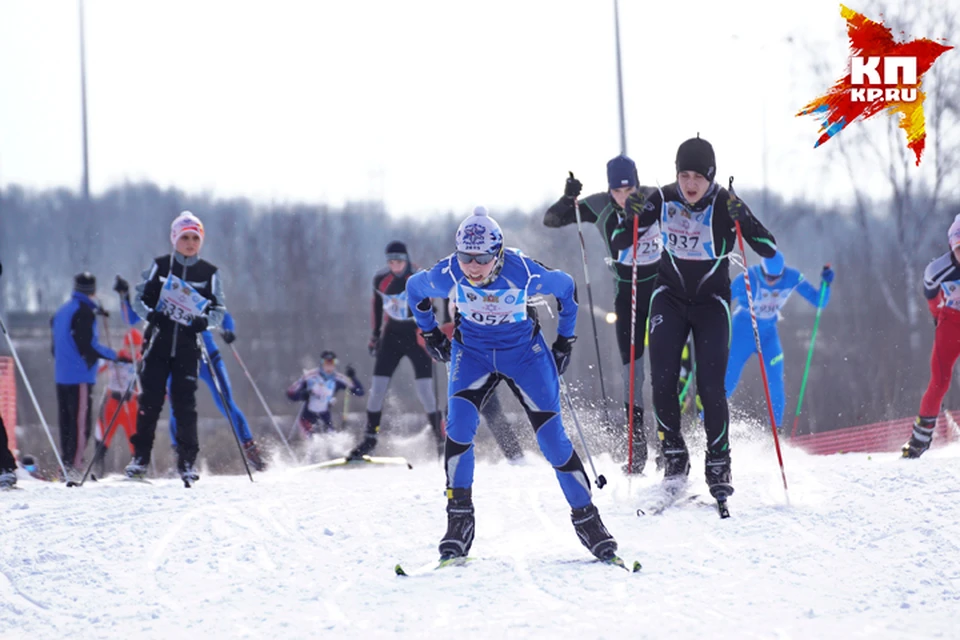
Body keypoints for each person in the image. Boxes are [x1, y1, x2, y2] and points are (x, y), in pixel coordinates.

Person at [406, 206, 619, 562]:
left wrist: (565, 342)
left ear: (499, 253)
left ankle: (589, 521)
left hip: (525, 357)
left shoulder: (524, 271)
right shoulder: (448, 273)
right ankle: (458, 523)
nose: (472, 267)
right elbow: (415, 290)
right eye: (465, 258)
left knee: (552, 439)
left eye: (482, 259)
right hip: (472, 354)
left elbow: (566, 289)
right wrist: (430, 334)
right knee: (458, 429)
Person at [614, 135, 777, 501]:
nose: (690, 184)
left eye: (698, 177)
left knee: (710, 388)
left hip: (712, 303)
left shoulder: (724, 203)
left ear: (711, 176)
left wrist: (744, 219)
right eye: (684, 175)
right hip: (668, 298)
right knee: (662, 382)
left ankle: (719, 462)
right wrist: (632, 212)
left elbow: (768, 247)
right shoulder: (662, 197)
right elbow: (625, 239)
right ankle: (674, 454)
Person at [544, 155, 660, 474]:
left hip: (663, 293)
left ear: (638, 183)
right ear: (610, 190)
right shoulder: (600, 205)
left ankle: (669, 447)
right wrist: (568, 198)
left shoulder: (654, 197)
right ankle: (637, 452)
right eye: (618, 191)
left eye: (629, 189)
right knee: (632, 374)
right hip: (627, 295)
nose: (624, 197)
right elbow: (551, 220)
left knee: (666, 370)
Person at [116, 276, 267, 472]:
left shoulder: (197, 288)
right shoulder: (161, 291)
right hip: (176, 358)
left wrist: (229, 331)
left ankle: (251, 451)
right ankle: (181, 458)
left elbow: (224, 316)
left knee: (226, 402)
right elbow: (131, 317)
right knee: (178, 408)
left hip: (206, 355)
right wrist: (124, 296)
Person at [124, 211, 226, 484]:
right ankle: (140, 458)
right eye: (184, 237)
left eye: (195, 237)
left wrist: (204, 322)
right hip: (158, 343)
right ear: (175, 239)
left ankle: (187, 461)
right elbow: (139, 301)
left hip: (187, 347)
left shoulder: (209, 273)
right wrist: (152, 315)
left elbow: (218, 310)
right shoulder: (160, 266)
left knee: (185, 406)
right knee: (150, 403)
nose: (190, 243)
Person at [348, 241, 443, 460]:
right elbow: (376, 307)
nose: (395, 265)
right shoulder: (381, 280)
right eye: (391, 261)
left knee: (425, 391)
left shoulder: (418, 276)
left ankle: (441, 438)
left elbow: (436, 299)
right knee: (377, 389)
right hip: (392, 335)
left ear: (406, 260)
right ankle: (370, 439)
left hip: (416, 333)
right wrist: (374, 335)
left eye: (399, 261)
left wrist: (438, 332)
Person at [725, 251, 834, 432]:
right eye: (768, 276)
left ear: (782, 272)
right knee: (729, 380)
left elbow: (819, 301)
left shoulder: (792, 277)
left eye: (776, 277)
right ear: (762, 269)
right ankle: (705, 418)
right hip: (743, 332)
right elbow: (723, 298)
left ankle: (776, 428)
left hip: (768, 333)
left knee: (775, 380)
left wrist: (826, 284)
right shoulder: (748, 277)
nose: (771, 281)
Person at [51, 272, 129, 477]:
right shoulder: (84, 312)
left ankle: (66, 464)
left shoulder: (63, 311)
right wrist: (115, 355)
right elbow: (88, 345)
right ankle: (74, 467)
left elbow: (56, 345)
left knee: (66, 422)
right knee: (80, 424)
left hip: (62, 375)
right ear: (93, 291)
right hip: (80, 376)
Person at [903, 214, 960, 458]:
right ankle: (919, 440)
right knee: (939, 381)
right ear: (951, 246)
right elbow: (930, 294)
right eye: (959, 248)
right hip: (951, 321)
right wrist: (937, 315)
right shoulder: (937, 269)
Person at [91, 328, 143, 475]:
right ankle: (98, 469)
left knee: (136, 438)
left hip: (131, 404)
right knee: (102, 435)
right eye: (129, 346)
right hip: (112, 403)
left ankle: (137, 468)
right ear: (124, 345)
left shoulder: (141, 362)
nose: (132, 350)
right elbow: (97, 368)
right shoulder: (114, 357)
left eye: (136, 347)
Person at [286, 350, 365, 436]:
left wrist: (353, 377)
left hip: (324, 417)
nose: (329, 365)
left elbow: (359, 392)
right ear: (321, 363)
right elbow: (290, 393)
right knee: (312, 442)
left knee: (331, 442)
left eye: (332, 362)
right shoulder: (310, 376)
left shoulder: (338, 379)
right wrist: (301, 395)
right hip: (307, 418)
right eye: (326, 362)